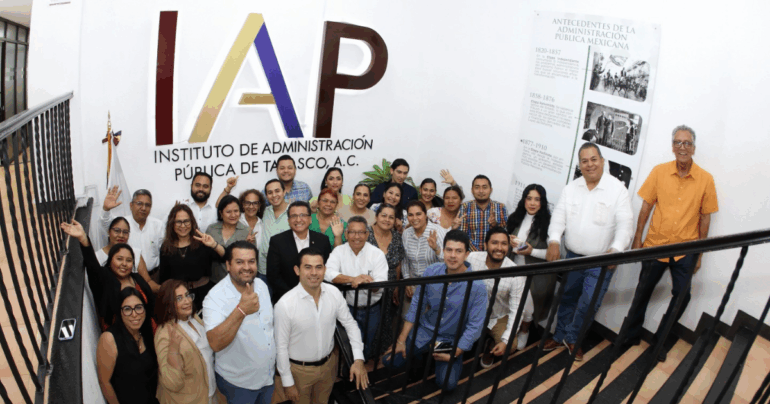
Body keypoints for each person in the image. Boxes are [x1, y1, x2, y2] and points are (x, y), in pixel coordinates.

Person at [626, 125, 718, 362]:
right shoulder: (659, 171)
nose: (682, 147)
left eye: (687, 143)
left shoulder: (706, 179)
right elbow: (646, 206)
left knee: (682, 296)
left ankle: (659, 342)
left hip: (685, 250)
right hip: (655, 245)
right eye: (678, 142)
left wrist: (700, 254)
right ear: (672, 147)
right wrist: (637, 238)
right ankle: (629, 335)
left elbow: (705, 218)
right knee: (642, 292)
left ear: (694, 148)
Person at [543, 142, 633, 361]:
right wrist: (554, 240)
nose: (590, 165)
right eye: (585, 161)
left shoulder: (617, 190)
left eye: (594, 159)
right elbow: (559, 217)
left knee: (589, 303)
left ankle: (574, 338)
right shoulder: (571, 188)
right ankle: (560, 335)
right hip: (573, 258)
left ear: (602, 161)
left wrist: (616, 249)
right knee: (567, 297)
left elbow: (626, 224)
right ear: (580, 165)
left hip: (600, 261)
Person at [382, 230, 487, 391]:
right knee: (389, 360)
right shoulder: (431, 271)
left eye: (458, 251)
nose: (453, 255)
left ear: (466, 254)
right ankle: (422, 356)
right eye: (449, 250)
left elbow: (475, 325)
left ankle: (443, 356)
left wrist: (456, 351)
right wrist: (401, 340)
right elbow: (417, 305)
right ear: (443, 251)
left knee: (447, 384)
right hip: (426, 330)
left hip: (449, 339)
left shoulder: (478, 286)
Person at [274, 248, 369, 404]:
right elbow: (280, 347)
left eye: (318, 267)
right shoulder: (285, 305)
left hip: (328, 367)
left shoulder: (334, 293)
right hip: (298, 372)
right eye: (308, 267)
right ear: (297, 270)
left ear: (325, 269)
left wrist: (358, 359)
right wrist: (287, 382)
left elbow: (350, 324)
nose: (314, 273)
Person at [203, 241, 276, 404]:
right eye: (239, 262)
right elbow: (215, 343)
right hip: (238, 384)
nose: (247, 267)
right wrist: (241, 310)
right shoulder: (215, 297)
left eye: (251, 261)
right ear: (228, 265)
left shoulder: (262, 286)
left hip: (267, 378)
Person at [61, 219, 156, 331]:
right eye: (119, 259)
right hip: (119, 335)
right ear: (110, 261)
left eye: (129, 260)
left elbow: (150, 305)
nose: (124, 264)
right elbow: (92, 266)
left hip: (146, 331)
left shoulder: (137, 278)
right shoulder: (104, 279)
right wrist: (83, 239)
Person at [325, 217, 389, 359]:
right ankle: (351, 369)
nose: (356, 236)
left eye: (360, 232)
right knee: (348, 346)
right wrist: (352, 279)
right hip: (346, 308)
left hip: (372, 309)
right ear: (346, 234)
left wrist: (369, 283)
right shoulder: (339, 251)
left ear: (367, 234)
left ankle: (361, 367)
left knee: (367, 344)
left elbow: (381, 285)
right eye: (352, 232)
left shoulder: (377, 254)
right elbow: (328, 273)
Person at [468, 227, 526, 368]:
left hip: (497, 316)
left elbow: (517, 309)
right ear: (485, 245)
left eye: (504, 244)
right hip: (472, 312)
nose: (499, 248)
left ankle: (490, 346)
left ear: (508, 247)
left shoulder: (515, 273)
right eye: (494, 243)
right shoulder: (472, 258)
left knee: (511, 345)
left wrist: (505, 340)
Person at [506, 184, 555, 347]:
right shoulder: (515, 217)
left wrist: (531, 251)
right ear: (524, 200)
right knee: (510, 301)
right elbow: (509, 244)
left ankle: (524, 330)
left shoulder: (549, 224)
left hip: (536, 274)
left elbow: (553, 255)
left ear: (543, 202)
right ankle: (509, 329)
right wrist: (508, 241)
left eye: (537, 199)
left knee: (527, 307)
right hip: (514, 267)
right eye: (529, 198)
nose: (532, 203)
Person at [154, 280, 215, 404]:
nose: (187, 301)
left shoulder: (194, 318)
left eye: (187, 295)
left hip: (209, 394)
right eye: (179, 298)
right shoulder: (164, 334)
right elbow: (172, 382)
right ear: (168, 305)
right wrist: (173, 350)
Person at [159, 204, 225, 313]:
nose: (183, 225)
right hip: (178, 299)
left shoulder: (202, 242)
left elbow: (225, 257)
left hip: (204, 295)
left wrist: (214, 245)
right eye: (178, 222)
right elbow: (163, 279)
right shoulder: (166, 247)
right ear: (172, 224)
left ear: (192, 222)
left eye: (186, 221)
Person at [96, 288, 158, 404]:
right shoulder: (109, 339)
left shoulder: (146, 332)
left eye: (138, 307)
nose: (134, 314)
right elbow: (104, 382)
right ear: (120, 312)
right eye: (127, 309)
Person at [267, 201, 332, 303]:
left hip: (317, 298)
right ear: (288, 220)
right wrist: (294, 297)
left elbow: (327, 270)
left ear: (310, 219)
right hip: (287, 299)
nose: (298, 220)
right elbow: (273, 276)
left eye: (302, 215)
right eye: (294, 216)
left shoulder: (322, 240)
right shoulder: (277, 241)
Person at [367, 204, 406, 355]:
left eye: (391, 217)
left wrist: (395, 286)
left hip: (390, 287)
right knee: (370, 321)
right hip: (369, 287)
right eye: (384, 215)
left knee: (386, 321)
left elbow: (398, 264)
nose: (387, 220)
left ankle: (381, 353)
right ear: (376, 216)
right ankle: (365, 355)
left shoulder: (397, 237)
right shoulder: (366, 233)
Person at [100, 187, 164, 275]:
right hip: (130, 276)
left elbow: (163, 250)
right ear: (131, 205)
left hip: (154, 275)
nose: (143, 208)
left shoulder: (158, 225)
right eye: (139, 203)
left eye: (147, 205)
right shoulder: (123, 224)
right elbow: (106, 223)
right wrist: (106, 209)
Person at [401, 200, 446, 316]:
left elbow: (448, 262)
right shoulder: (406, 234)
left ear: (425, 215)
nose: (414, 218)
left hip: (435, 286)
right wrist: (407, 280)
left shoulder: (438, 232)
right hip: (413, 285)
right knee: (408, 320)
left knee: (430, 321)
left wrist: (436, 249)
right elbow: (405, 260)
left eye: (418, 214)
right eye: (410, 215)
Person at [97, 217, 157, 291]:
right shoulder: (98, 257)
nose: (121, 235)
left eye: (125, 232)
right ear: (109, 232)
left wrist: (164, 288)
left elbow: (147, 282)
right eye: (117, 231)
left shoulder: (135, 254)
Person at [206, 195, 250, 283]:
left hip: (238, 281)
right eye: (228, 212)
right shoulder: (211, 229)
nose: (233, 215)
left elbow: (250, 258)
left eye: (236, 211)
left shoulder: (246, 231)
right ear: (221, 213)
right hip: (214, 281)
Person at [458, 175, 508, 252]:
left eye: (484, 187)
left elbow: (506, 235)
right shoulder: (465, 207)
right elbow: (463, 235)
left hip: (494, 253)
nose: (481, 191)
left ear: (491, 190)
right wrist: (478, 254)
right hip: (471, 255)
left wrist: (495, 225)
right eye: (477, 187)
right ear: (472, 190)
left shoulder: (501, 207)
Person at [258, 179, 290, 285]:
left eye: (277, 191)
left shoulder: (293, 212)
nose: (274, 195)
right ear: (266, 196)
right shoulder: (264, 212)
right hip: (263, 270)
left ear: (284, 192)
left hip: (285, 270)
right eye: (270, 192)